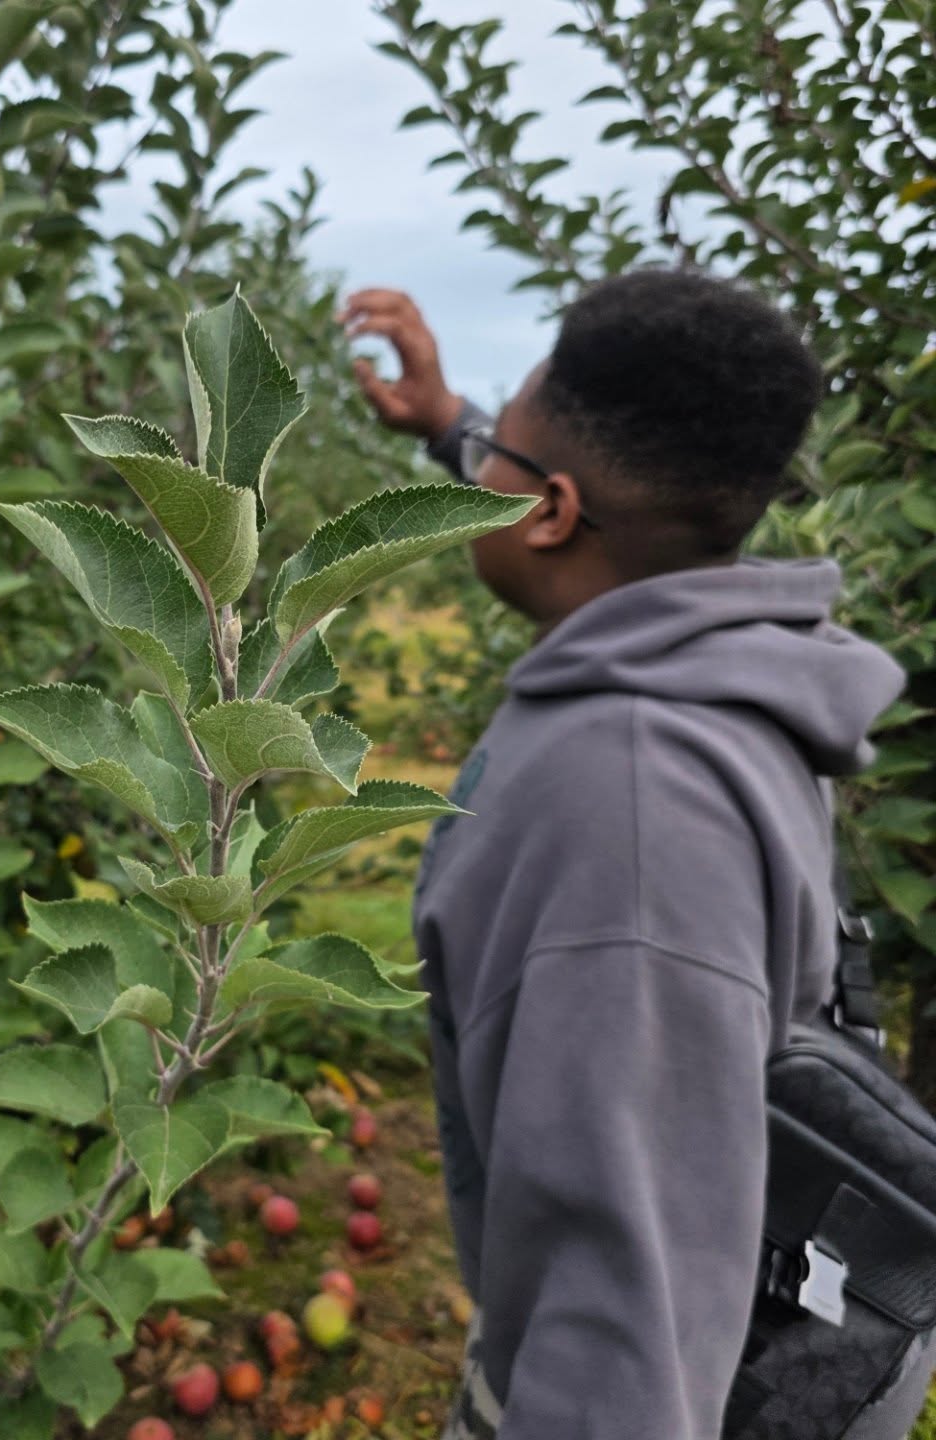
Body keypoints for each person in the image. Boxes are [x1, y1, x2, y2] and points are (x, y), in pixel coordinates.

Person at [340, 274, 933, 1438]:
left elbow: (629, 1315)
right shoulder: (725, 664)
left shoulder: (623, 808)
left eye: (492, 460)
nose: (477, 482)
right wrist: (450, 416)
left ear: (553, 513)